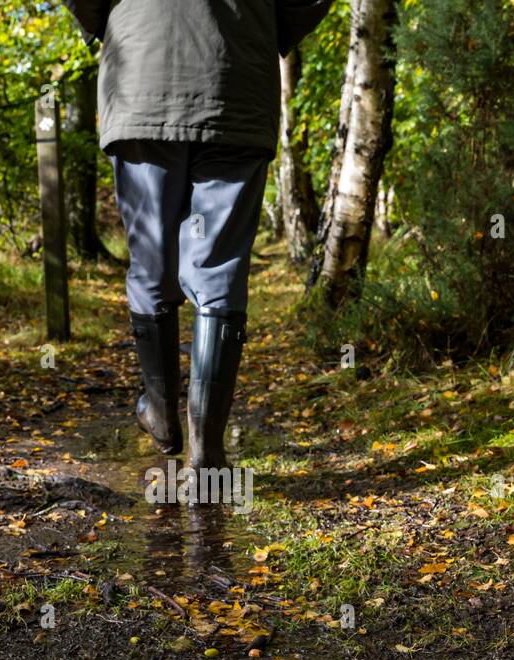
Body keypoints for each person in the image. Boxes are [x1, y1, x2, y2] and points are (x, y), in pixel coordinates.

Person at [61, 0, 333, 492]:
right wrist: (269, 25)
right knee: (218, 264)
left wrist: (108, 20)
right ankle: (205, 455)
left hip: (142, 76)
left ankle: (162, 416)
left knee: (150, 261)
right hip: (236, 79)